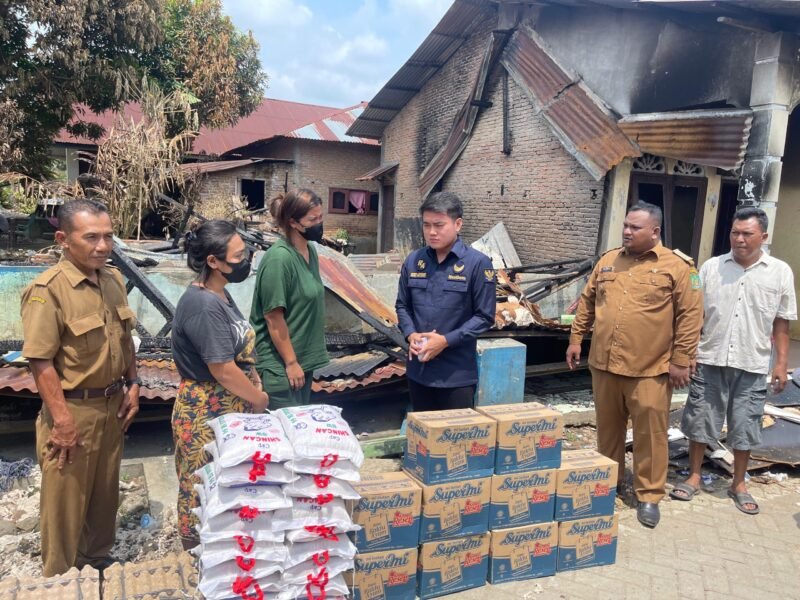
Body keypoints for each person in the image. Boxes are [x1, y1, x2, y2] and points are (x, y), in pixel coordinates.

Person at [566, 201, 703, 528]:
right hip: (605, 365)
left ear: (654, 231)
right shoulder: (609, 260)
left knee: (650, 437)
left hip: (650, 370)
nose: (627, 231)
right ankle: (608, 483)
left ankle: (649, 496)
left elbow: (690, 316)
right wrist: (575, 339)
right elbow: (587, 302)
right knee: (608, 431)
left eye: (635, 227)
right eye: (625, 225)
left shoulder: (679, 267)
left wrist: (681, 360)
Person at [21, 199, 139, 577]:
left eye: (107, 236)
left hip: (112, 405)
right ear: (63, 239)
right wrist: (62, 421)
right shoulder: (48, 289)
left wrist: (133, 384)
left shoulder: (113, 280)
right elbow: (41, 361)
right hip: (73, 411)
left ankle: (96, 568)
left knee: (105, 499)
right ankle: (59, 578)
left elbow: (125, 339)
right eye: (91, 237)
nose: (103, 246)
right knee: (65, 505)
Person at [671, 207, 796, 515]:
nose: (739, 239)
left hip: (752, 363)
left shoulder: (780, 272)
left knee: (745, 426)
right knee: (700, 420)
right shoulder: (712, 268)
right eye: (735, 233)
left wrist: (780, 364)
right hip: (709, 358)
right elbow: (693, 315)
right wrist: (685, 354)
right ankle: (695, 475)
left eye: (747, 234)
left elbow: (782, 323)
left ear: (763, 237)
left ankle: (738, 484)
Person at [171, 220, 268, 549]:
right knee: (202, 483)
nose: (245, 260)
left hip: (229, 405)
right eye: (238, 256)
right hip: (207, 411)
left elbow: (236, 353)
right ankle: (197, 554)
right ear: (213, 261)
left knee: (227, 483)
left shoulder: (219, 294)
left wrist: (253, 380)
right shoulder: (203, 305)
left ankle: (224, 552)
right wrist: (258, 398)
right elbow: (222, 368)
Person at [395, 191, 496, 411]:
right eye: (426, 225)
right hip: (418, 370)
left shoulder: (477, 264)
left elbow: (484, 316)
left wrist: (446, 341)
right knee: (424, 438)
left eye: (439, 225)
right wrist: (410, 333)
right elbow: (402, 305)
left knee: (455, 441)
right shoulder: (414, 261)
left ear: (457, 224)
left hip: (456, 375)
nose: (431, 232)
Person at [250, 189, 329, 409]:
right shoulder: (279, 259)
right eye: (313, 219)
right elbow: (273, 317)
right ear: (293, 223)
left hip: (302, 362)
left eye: (321, 217)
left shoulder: (310, 251)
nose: (319, 224)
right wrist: (291, 362)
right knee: (283, 433)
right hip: (281, 367)